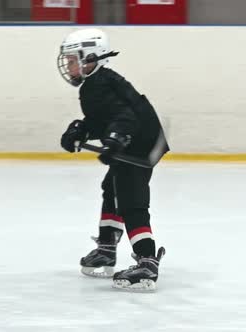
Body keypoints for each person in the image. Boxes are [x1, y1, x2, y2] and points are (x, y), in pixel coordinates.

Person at [57, 28, 169, 291]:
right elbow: (103, 118)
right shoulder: (97, 83)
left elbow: (125, 117)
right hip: (138, 141)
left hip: (139, 146)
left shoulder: (100, 84)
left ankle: (147, 262)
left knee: (131, 200)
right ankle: (107, 247)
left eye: (73, 60)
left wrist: (116, 139)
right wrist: (81, 130)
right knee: (112, 189)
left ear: (90, 58)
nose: (69, 66)